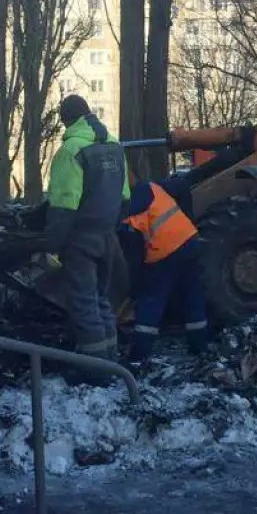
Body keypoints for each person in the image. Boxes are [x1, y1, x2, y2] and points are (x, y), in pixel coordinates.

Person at [45, 95, 130, 362]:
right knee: (101, 299)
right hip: (107, 236)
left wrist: (53, 248)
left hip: (80, 240)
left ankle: (96, 369)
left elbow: (63, 207)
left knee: (83, 304)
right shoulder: (115, 146)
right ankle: (111, 358)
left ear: (66, 120)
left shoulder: (71, 151)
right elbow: (124, 197)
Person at [118, 176, 209, 362]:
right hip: (190, 240)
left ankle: (139, 354)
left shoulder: (128, 213)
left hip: (165, 250)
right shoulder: (152, 186)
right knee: (193, 296)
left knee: (152, 299)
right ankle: (200, 346)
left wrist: (135, 285)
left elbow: (135, 255)